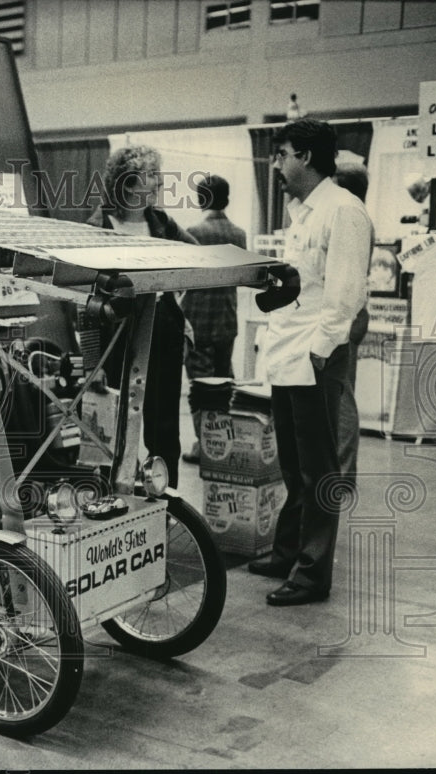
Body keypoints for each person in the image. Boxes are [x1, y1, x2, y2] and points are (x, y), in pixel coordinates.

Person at [248, 120, 372, 606]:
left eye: (281, 154)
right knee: (293, 462)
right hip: (289, 354)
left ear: (305, 155)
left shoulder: (344, 211)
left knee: (319, 471)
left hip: (316, 358)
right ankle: (288, 551)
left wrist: (318, 357)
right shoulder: (303, 212)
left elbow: (344, 298)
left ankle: (312, 573)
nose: (276, 164)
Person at [87, 144, 199, 488]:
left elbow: (199, 261)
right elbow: (83, 299)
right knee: (115, 429)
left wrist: (179, 313)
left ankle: (168, 504)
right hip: (116, 331)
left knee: (164, 427)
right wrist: (91, 363)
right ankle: (115, 502)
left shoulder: (162, 223)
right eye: (151, 175)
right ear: (128, 182)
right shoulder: (99, 225)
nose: (158, 182)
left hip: (163, 328)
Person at [181, 174, 248, 464]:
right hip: (227, 318)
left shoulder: (192, 232)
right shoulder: (239, 234)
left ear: (200, 199)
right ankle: (223, 440)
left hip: (197, 320)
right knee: (223, 382)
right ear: (227, 199)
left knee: (200, 383)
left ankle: (204, 444)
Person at [333, 162, 373, 482]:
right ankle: (343, 470)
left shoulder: (351, 218)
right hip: (355, 314)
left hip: (348, 314)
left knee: (342, 397)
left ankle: (343, 473)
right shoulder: (360, 216)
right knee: (342, 393)